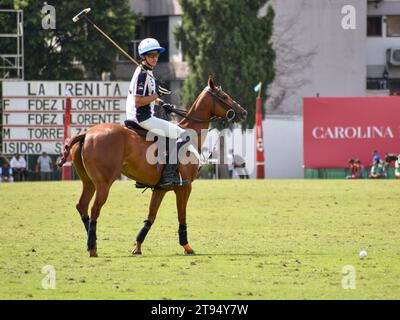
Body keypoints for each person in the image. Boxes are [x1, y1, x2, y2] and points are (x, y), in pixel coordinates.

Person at [125, 38, 188, 188]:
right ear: (143, 57)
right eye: (151, 55)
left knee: (168, 136)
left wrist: (161, 103)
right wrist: (158, 95)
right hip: (142, 117)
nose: (155, 58)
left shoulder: (147, 72)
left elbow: (149, 96)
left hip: (142, 115)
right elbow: (138, 101)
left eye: (156, 55)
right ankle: (168, 176)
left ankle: (145, 177)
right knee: (183, 134)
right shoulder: (142, 74)